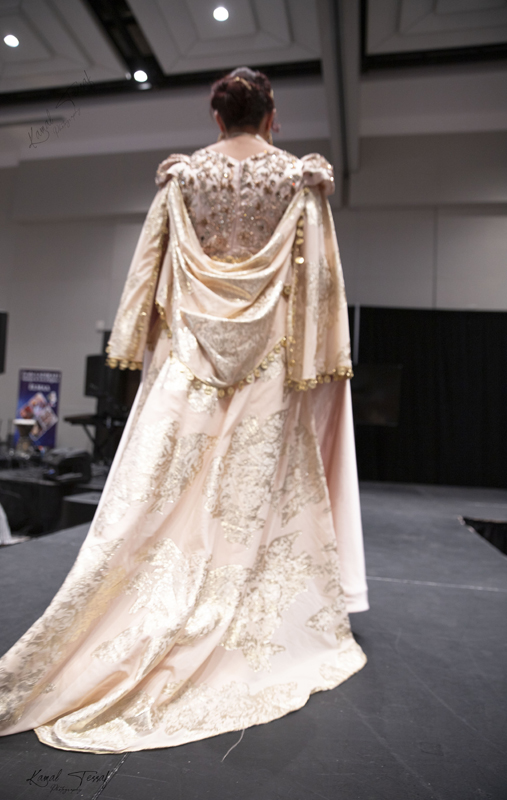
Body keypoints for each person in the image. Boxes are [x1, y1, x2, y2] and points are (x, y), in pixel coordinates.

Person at [0, 67, 368, 753]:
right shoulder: (299, 179)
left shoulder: (182, 178)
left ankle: (146, 599)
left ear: (216, 118)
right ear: (270, 116)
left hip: (190, 354)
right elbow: (318, 280)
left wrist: (137, 340)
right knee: (248, 495)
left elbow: (149, 266)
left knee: (168, 482)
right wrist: (318, 362)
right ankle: (232, 600)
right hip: (268, 357)